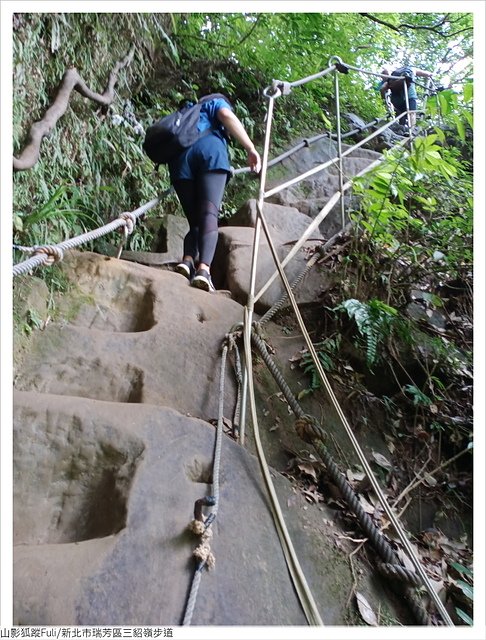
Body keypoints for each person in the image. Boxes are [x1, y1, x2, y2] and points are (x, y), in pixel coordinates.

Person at [168, 94, 261, 293]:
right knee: (209, 214)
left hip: (179, 161)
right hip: (210, 153)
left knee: (195, 221)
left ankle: (187, 261)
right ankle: (203, 271)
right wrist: (250, 148)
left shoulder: (187, 111)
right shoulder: (215, 103)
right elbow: (225, 114)